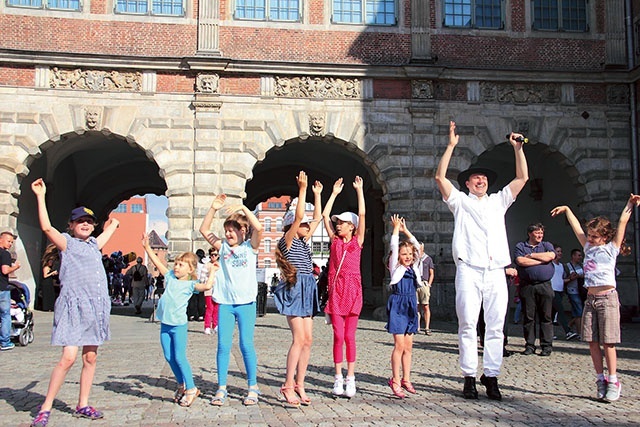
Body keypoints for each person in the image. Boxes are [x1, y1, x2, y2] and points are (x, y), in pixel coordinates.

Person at [435, 121, 528, 401]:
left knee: (496, 324)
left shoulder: (498, 201)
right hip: (469, 269)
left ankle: (492, 375)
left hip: (496, 270)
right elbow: (440, 178)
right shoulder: (460, 202)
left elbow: (522, 179)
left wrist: (518, 149)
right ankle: (468, 376)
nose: (480, 180)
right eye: (475, 178)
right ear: (467, 183)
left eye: (484, 178)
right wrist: (451, 147)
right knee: (467, 324)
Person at [30, 178, 119, 427]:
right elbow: (47, 228)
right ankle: (46, 406)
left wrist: (114, 223)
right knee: (68, 358)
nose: (86, 225)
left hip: (96, 308)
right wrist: (40, 196)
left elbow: (109, 230)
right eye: (81, 221)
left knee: (90, 358)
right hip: (73, 307)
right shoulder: (66, 244)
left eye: (89, 221)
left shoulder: (94, 245)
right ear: (71, 225)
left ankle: (83, 403)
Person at [551, 194, 640, 403]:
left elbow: (623, 222)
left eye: (594, 236)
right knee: (591, 341)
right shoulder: (587, 247)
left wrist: (630, 204)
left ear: (605, 236)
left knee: (608, 342)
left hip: (607, 298)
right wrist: (566, 208)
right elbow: (577, 229)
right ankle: (600, 379)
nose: (589, 239)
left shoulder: (611, 249)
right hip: (590, 299)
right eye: (589, 236)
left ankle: (613, 380)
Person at [199, 194, 263, 406]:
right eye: (226, 230)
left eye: (231, 230)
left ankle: (252, 387)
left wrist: (244, 208)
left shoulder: (249, 248)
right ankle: (221, 387)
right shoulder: (223, 248)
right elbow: (204, 230)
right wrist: (213, 208)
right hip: (225, 303)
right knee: (223, 345)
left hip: (245, 303)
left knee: (246, 345)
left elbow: (259, 229)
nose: (227, 234)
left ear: (242, 231)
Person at [142, 234, 217, 407]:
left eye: (181, 265)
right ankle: (181, 384)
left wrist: (212, 271)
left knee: (180, 356)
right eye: (176, 263)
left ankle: (191, 388)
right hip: (165, 324)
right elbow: (158, 263)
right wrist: (147, 248)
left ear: (190, 269)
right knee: (169, 356)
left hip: (179, 325)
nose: (176, 267)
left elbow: (206, 286)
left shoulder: (190, 284)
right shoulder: (169, 277)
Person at [273, 171, 323, 406]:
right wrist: (302, 190)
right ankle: (287, 385)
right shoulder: (288, 241)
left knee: (308, 340)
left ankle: (300, 384)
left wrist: (321, 195)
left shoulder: (303, 241)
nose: (306, 225)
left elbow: (318, 217)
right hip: (295, 288)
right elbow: (300, 216)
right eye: (301, 224)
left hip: (308, 286)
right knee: (298, 338)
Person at [322, 176, 366, 398]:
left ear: (352, 227)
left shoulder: (357, 242)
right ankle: (337, 377)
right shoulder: (335, 242)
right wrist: (333, 194)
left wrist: (358, 190)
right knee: (338, 336)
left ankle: (351, 377)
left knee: (350, 336)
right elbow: (323, 216)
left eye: (342, 223)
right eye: (337, 222)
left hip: (352, 291)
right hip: (337, 292)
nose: (338, 225)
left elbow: (363, 215)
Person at [386, 215, 422, 398]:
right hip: (398, 304)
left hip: (411, 304)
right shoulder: (396, 268)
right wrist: (395, 230)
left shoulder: (414, 267)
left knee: (408, 346)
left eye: (409, 254)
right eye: (404, 254)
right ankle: (395, 379)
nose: (407, 257)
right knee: (399, 345)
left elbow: (416, 245)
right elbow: (393, 245)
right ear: (398, 256)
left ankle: (407, 379)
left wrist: (405, 231)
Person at [514, 223, 556, 356]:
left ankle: (546, 346)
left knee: (546, 316)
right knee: (528, 317)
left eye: (541, 233)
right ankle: (530, 345)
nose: (540, 235)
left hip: (545, 285)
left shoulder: (546, 245)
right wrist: (542, 261)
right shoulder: (520, 246)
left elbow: (550, 256)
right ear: (530, 233)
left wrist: (531, 255)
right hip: (527, 286)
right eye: (537, 233)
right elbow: (521, 261)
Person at [551, 245, 579, 341]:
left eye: (560, 251)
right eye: (557, 251)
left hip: (559, 290)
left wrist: (570, 279)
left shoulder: (561, 266)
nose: (560, 253)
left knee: (551, 314)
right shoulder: (550, 265)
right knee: (561, 311)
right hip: (552, 290)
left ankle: (547, 333)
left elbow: (561, 279)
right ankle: (568, 331)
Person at [1, 230, 20, 351]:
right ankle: (5, 342)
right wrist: (16, 267)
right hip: (2, 288)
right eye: (8, 241)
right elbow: (5, 270)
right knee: (5, 315)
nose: (10, 244)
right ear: (1, 239)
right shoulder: (5, 254)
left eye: (12, 242)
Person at [564, 248, 585, 338]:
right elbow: (564, 278)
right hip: (572, 290)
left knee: (578, 311)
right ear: (573, 256)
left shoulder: (581, 265)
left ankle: (569, 325)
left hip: (581, 290)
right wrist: (571, 277)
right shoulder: (567, 266)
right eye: (578, 255)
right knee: (579, 310)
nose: (580, 257)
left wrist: (580, 275)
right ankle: (580, 332)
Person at [417, 243, 434, 335]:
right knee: (416, 306)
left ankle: (427, 327)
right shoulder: (414, 259)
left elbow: (432, 273)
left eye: (420, 248)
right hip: (415, 283)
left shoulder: (428, 259)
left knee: (425, 305)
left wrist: (429, 284)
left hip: (424, 283)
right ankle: (417, 326)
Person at [203, 247, 220, 335]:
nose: (213, 256)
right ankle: (207, 326)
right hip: (209, 289)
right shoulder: (207, 265)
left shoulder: (220, 265)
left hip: (218, 289)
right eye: (212, 255)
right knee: (210, 308)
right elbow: (202, 278)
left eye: (215, 255)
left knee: (216, 308)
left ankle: (215, 325)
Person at [187, 249, 206, 321]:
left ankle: (192, 314)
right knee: (201, 300)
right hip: (201, 283)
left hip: (193, 282)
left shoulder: (194, 265)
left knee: (193, 300)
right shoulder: (204, 265)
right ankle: (200, 315)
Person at [40, 244, 60, 312]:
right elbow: (45, 275)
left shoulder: (50, 268)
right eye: (50, 261)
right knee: (47, 294)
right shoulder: (46, 267)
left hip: (49, 282)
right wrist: (51, 273)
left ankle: (50, 307)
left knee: (51, 294)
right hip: (46, 282)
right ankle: (46, 307)